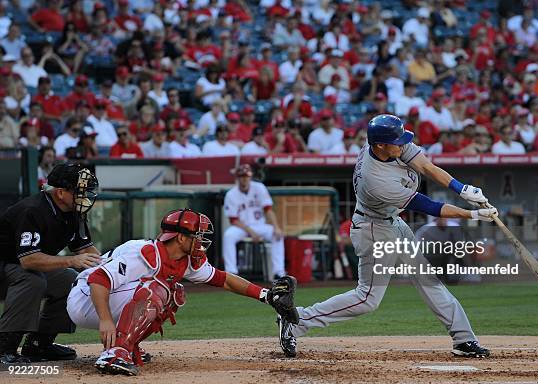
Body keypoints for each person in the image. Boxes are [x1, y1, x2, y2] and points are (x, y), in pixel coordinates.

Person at [276, 114, 496, 359]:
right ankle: (296, 319)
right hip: (373, 229)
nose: (402, 144)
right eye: (397, 141)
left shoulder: (388, 144)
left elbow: (426, 166)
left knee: (427, 279)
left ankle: (463, 339)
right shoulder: (376, 179)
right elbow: (429, 206)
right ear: (380, 145)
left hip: (393, 221)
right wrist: (473, 215)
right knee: (368, 298)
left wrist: (462, 189)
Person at [66, 208, 298, 376]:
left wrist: (265, 295)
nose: (201, 241)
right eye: (197, 235)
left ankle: (127, 344)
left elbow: (223, 279)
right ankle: (115, 352)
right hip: (86, 298)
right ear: (180, 237)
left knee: (173, 292)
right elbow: (98, 278)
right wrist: (106, 320)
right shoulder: (145, 252)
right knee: (157, 288)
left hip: (108, 296)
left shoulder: (186, 259)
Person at [0, 163, 101, 364]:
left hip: (22, 266)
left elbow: (85, 250)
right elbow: (28, 260)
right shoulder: (33, 210)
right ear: (61, 192)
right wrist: (72, 260)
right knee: (33, 281)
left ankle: (39, 344)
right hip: (7, 265)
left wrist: (114, 265)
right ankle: (4, 347)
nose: (85, 196)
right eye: (79, 191)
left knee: (72, 279)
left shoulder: (74, 212)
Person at [223, 165, 286, 279]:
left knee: (277, 234)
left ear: (250, 177)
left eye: (247, 176)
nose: (245, 179)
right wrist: (251, 232)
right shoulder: (231, 194)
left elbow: (268, 210)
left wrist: (276, 227)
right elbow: (233, 220)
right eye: (242, 176)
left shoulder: (259, 188)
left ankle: (279, 272)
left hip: (259, 225)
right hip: (241, 228)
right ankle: (231, 272)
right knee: (228, 235)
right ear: (237, 178)